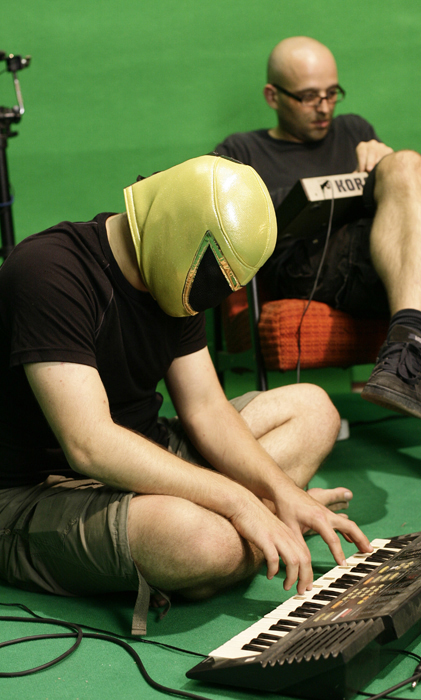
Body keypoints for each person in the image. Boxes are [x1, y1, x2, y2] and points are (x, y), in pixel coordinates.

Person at [0, 154, 371, 635]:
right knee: (202, 541)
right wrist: (241, 502)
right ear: (178, 233)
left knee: (314, 410)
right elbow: (90, 445)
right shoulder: (48, 272)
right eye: (215, 275)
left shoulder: (176, 273)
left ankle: (243, 537)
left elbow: (207, 409)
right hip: (38, 491)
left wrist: (280, 491)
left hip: (145, 454)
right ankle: (230, 545)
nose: (211, 293)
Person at [214, 36, 421, 501]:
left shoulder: (355, 130)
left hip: (378, 263)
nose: (325, 106)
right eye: (309, 96)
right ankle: (411, 349)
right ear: (273, 96)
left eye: (332, 93)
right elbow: (226, 226)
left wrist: (388, 168)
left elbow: (403, 216)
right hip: (305, 267)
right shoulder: (241, 150)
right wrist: (387, 174)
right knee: (409, 167)